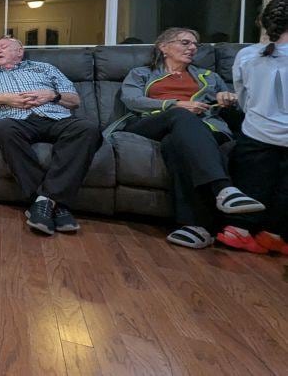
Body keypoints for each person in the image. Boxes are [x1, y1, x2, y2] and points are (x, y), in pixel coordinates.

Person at [111, 27, 264, 250]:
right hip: (152, 123)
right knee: (181, 116)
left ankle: (195, 227)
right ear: (163, 47)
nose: (192, 48)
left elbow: (241, 110)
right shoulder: (141, 73)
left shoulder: (210, 77)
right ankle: (223, 189)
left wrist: (229, 98)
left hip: (199, 128)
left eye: (195, 44)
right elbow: (133, 100)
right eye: (185, 43)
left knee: (175, 144)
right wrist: (175, 104)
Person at [0, 36, 102, 235]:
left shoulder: (45, 68)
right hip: (15, 119)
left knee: (87, 129)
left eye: (4, 46)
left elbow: (75, 100)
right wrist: (5, 98)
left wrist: (53, 95)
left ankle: (42, 202)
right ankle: (55, 205)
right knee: (3, 129)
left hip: (55, 117)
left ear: (19, 51)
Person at [219, 0, 288, 254]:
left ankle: (237, 229)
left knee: (252, 179)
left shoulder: (247, 55)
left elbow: (244, 99)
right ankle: (273, 234)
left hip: (256, 134)